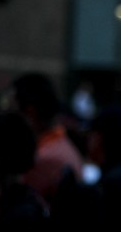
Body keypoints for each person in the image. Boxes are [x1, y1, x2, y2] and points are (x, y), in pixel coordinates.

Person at [5, 72, 84, 207]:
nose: (5, 121)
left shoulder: (43, 157)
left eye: (11, 111)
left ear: (30, 112)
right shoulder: (58, 145)